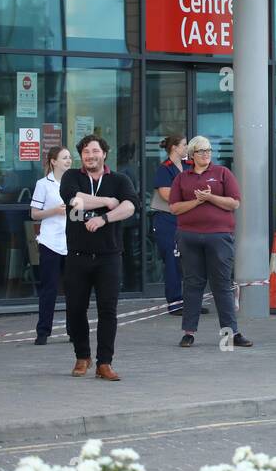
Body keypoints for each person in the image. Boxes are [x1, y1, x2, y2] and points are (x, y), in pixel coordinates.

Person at [60, 134, 137, 381]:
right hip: (77, 255)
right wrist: (107, 201)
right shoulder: (72, 177)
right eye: (85, 152)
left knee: (107, 310)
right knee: (75, 309)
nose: (90, 155)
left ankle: (105, 363)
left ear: (105, 153)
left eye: (94, 151)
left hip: (109, 256)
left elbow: (130, 207)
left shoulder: (119, 179)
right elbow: (75, 200)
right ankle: (82, 356)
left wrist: (103, 218)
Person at [170, 136, 251, 350]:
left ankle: (230, 333)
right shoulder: (182, 178)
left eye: (208, 150)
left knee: (222, 284)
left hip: (219, 236)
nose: (206, 154)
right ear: (192, 155)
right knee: (192, 284)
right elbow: (175, 208)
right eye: (201, 151)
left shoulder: (223, 173)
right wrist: (197, 201)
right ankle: (189, 333)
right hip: (189, 236)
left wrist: (210, 198)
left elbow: (234, 203)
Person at [29, 145, 71, 345]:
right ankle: (43, 331)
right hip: (50, 242)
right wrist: (54, 211)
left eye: (70, 157)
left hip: (71, 242)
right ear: (53, 161)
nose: (68, 161)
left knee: (74, 289)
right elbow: (34, 213)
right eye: (64, 157)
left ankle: (74, 331)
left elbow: (79, 211)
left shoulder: (74, 182)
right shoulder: (43, 184)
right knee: (49, 288)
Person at [151, 135, 195, 316]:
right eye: (184, 145)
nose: (187, 148)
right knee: (172, 261)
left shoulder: (188, 166)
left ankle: (191, 302)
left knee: (190, 262)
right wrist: (193, 196)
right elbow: (167, 195)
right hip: (167, 220)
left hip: (185, 219)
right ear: (175, 148)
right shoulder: (165, 169)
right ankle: (175, 303)